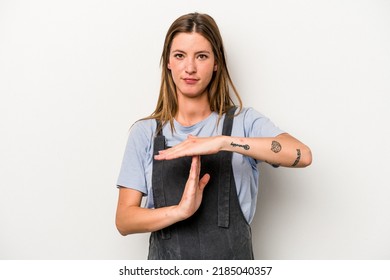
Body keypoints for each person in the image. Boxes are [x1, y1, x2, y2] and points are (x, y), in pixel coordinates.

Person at [115, 12, 312, 260]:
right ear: (168, 62)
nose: (190, 68)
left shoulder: (244, 121)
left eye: (202, 56)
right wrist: (180, 211)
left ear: (216, 62)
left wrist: (223, 142)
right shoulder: (146, 133)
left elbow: (302, 155)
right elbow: (124, 220)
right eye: (180, 56)